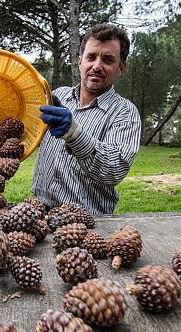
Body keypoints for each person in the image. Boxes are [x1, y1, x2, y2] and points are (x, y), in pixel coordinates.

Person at [32, 24, 141, 214]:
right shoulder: (58, 97)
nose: (97, 66)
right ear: (79, 61)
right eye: (91, 57)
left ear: (120, 68)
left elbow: (114, 169)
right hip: (38, 213)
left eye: (107, 60)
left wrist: (74, 134)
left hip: (88, 224)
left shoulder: (125, 112)